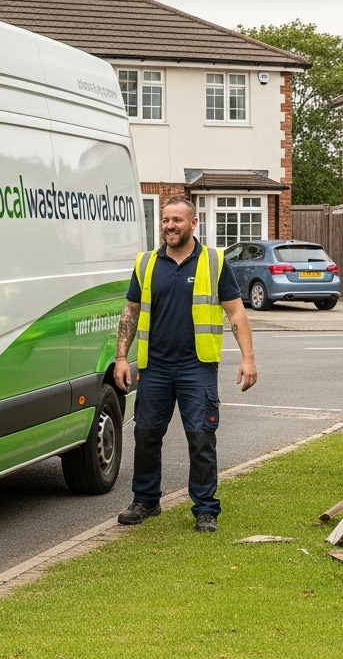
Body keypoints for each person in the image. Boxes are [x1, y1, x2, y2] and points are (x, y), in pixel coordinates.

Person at [113, 197, 257, 533]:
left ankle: (205, 509)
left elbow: (236, 312)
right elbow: (130, 310)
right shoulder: (147, 262)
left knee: (201, 437)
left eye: (177, 220)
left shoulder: (214, 262)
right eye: (165, 220)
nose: (169, 226)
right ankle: (146, 501)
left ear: (193, 224)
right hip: (155, 367)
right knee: (146, 434)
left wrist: (248, 358)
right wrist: (121, 357)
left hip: (197, 367)